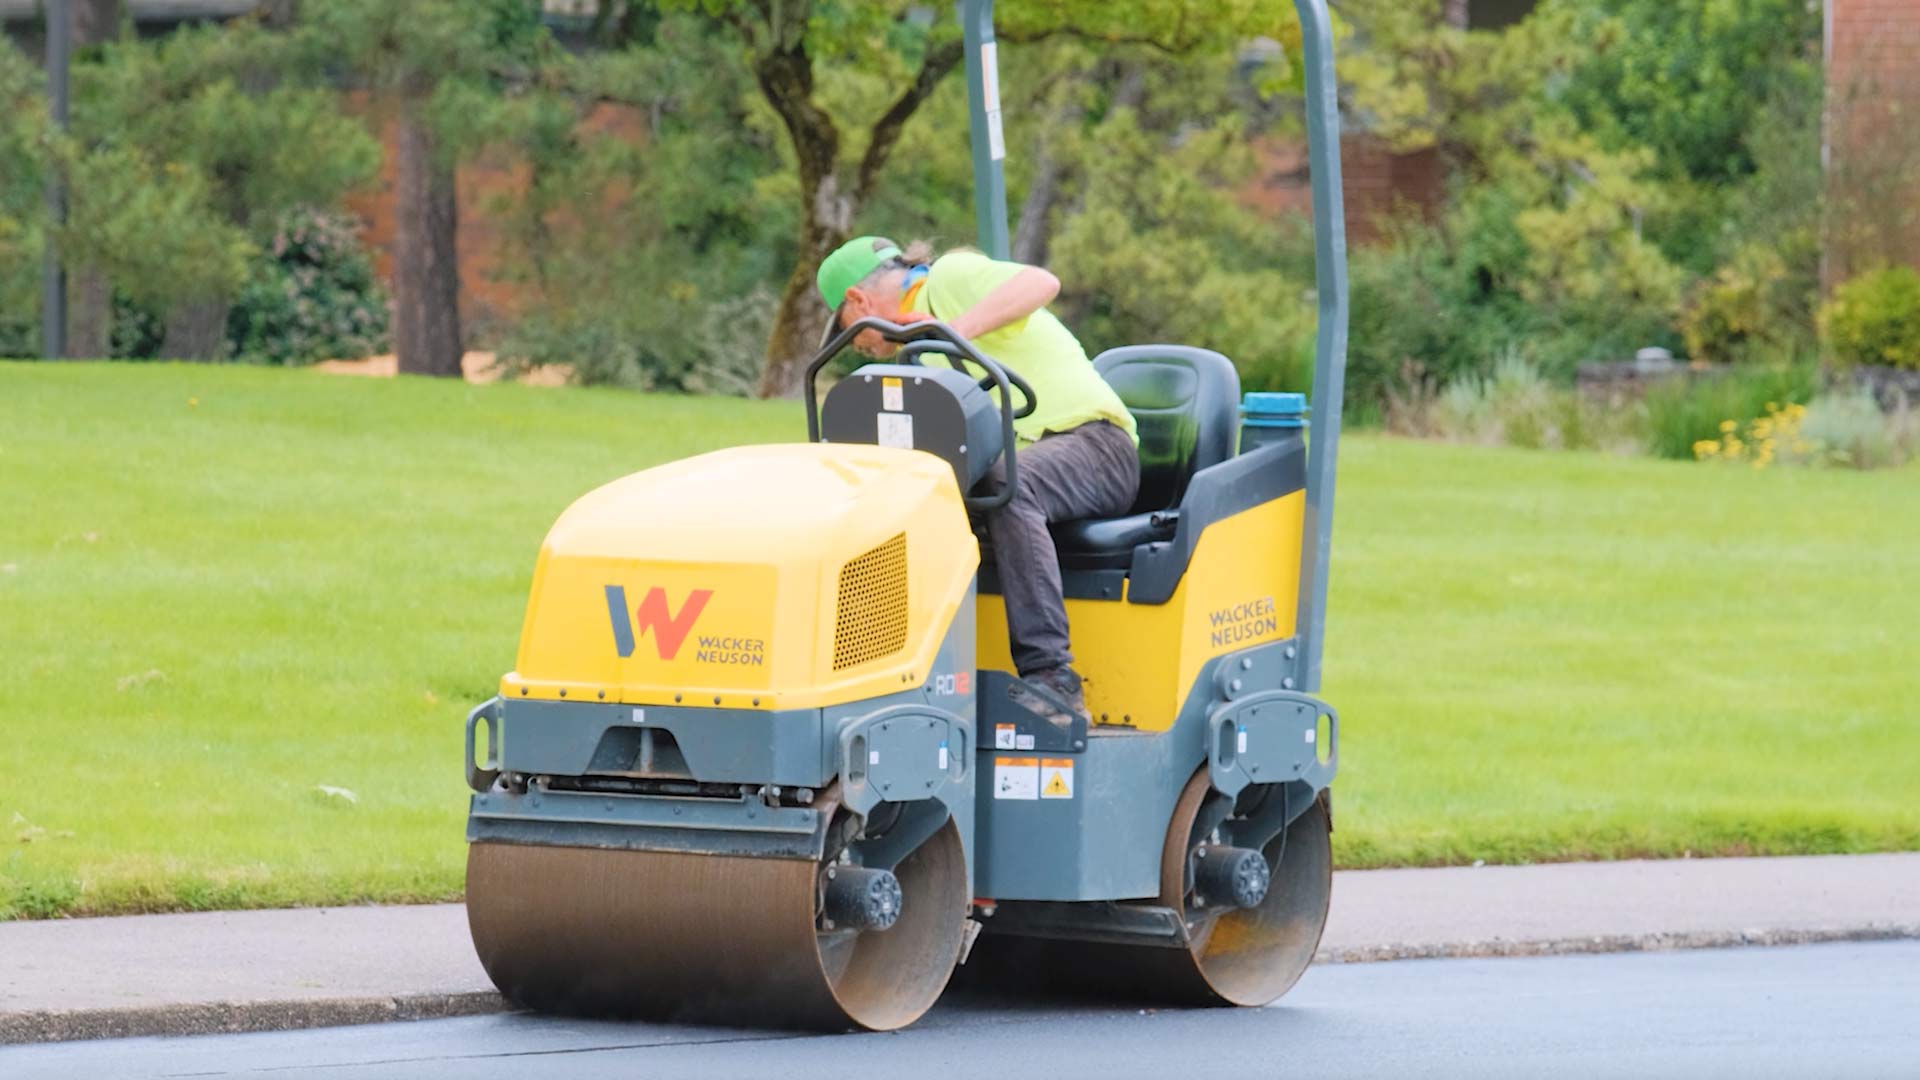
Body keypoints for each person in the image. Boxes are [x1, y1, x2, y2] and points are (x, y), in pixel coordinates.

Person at [816, 236, 1139, 721]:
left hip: (1097, 447)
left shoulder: (950, 279)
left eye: (846, 329)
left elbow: (1041, 282)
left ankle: (1052, 677)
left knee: (1007, 481)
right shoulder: (916, 352)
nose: (857, 347)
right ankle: (891, 671)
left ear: (857, 303)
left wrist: (953, 330)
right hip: (1026, 457)